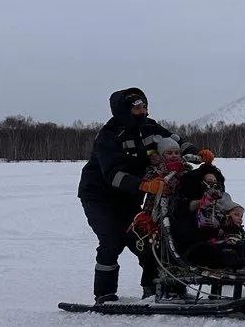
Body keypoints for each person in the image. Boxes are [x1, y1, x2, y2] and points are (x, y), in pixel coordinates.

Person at [77, 88, 212, 302]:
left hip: (131, 195)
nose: (143, 111)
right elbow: (113, 174)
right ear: (125, 110)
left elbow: (176, 141)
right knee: (112, 239)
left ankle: (156, 288)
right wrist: (145, 185)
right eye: (138, 107)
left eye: (145, 106)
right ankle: (105, 294)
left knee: (147, 241)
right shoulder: (109, 136)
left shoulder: (151, 127)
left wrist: (197, 152)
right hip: (99, 196)